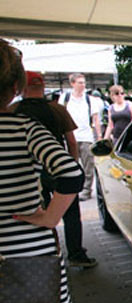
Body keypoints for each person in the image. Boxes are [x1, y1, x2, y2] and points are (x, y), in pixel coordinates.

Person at [0, 39, 84, 303]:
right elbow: (70, 172)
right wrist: (50, 217)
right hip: (28, 251)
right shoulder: (23, 129)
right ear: (16, 87)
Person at [12, 71, 97, 269]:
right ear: (42, 88)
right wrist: (73, 164)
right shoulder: (58, 109)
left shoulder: (13, 110)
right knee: (71, 214)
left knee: (36, 214)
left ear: (22, 88)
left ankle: (49, 254)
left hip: (28, 175)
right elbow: (71, 142)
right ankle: (76, 253)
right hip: (58, 168)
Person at [58, 73, 102, 202]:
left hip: (86, 136)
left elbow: (95, 119)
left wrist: (98, 136)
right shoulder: (65, 98)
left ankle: (86, 190)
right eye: (80, 82)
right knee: (72, 165)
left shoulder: (90, 100)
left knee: (88, 165)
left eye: (84, 83)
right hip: (70, 136)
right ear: (72, 84)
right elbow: (61, 116)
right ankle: (74, 189)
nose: (83, 85)